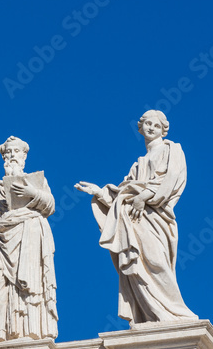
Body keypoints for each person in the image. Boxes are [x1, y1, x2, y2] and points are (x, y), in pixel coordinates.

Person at [75, 110, 196, 324]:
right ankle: (150, 315)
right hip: (133, 218)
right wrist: (100, 192)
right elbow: (122, 196)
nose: (150, 128)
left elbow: (171, 179)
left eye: (156, 125)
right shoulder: (138, 164)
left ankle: (176, 313)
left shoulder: (172, 149)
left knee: (156, 262)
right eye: (147, 124)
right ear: (140, 128)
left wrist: (144, 197)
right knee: (138, 266)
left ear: (163, 130)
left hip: (156, 216)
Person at [0, 136, 58, 343]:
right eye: (8, 153)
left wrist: (31, 192)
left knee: (30, 283)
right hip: (4, 241)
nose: (11, 156)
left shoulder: (37, 182)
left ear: (24, 156)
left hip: (30, 235)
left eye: (16, 152)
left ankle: (30, 332)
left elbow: (50, 206)